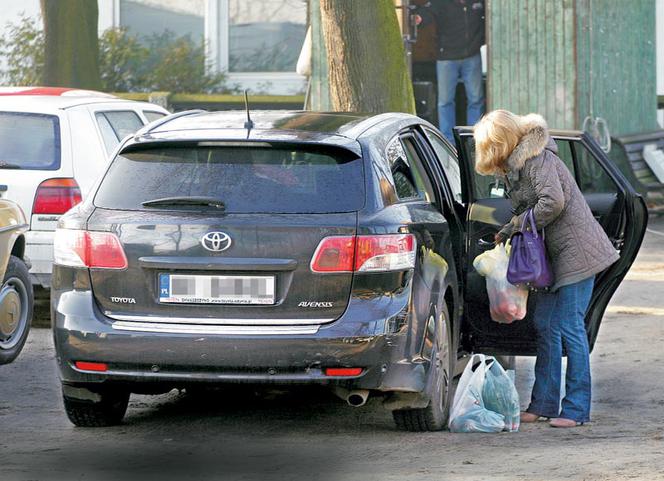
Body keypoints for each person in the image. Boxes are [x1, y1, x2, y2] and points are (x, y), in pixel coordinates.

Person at [473, 110, 619, 428]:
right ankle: (543, 404)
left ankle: (577, 409)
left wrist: (518, 224)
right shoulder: (519, 164)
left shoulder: (539, 159)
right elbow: (530, 206)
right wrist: (510, 229)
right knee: (545, 325)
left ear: (503, 142)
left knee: (569, 327)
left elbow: (552, 202)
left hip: (577, 253)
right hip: (556, 256)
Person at [415, 0, 486, 141]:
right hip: (446, 58)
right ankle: (448, 140)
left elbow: (491, 16)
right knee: (445, 101)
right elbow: (427, 11)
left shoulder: (478, 2)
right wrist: (419, 18)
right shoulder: (442, 2)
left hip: (472, 55)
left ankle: (474, 139)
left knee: (476, 99)